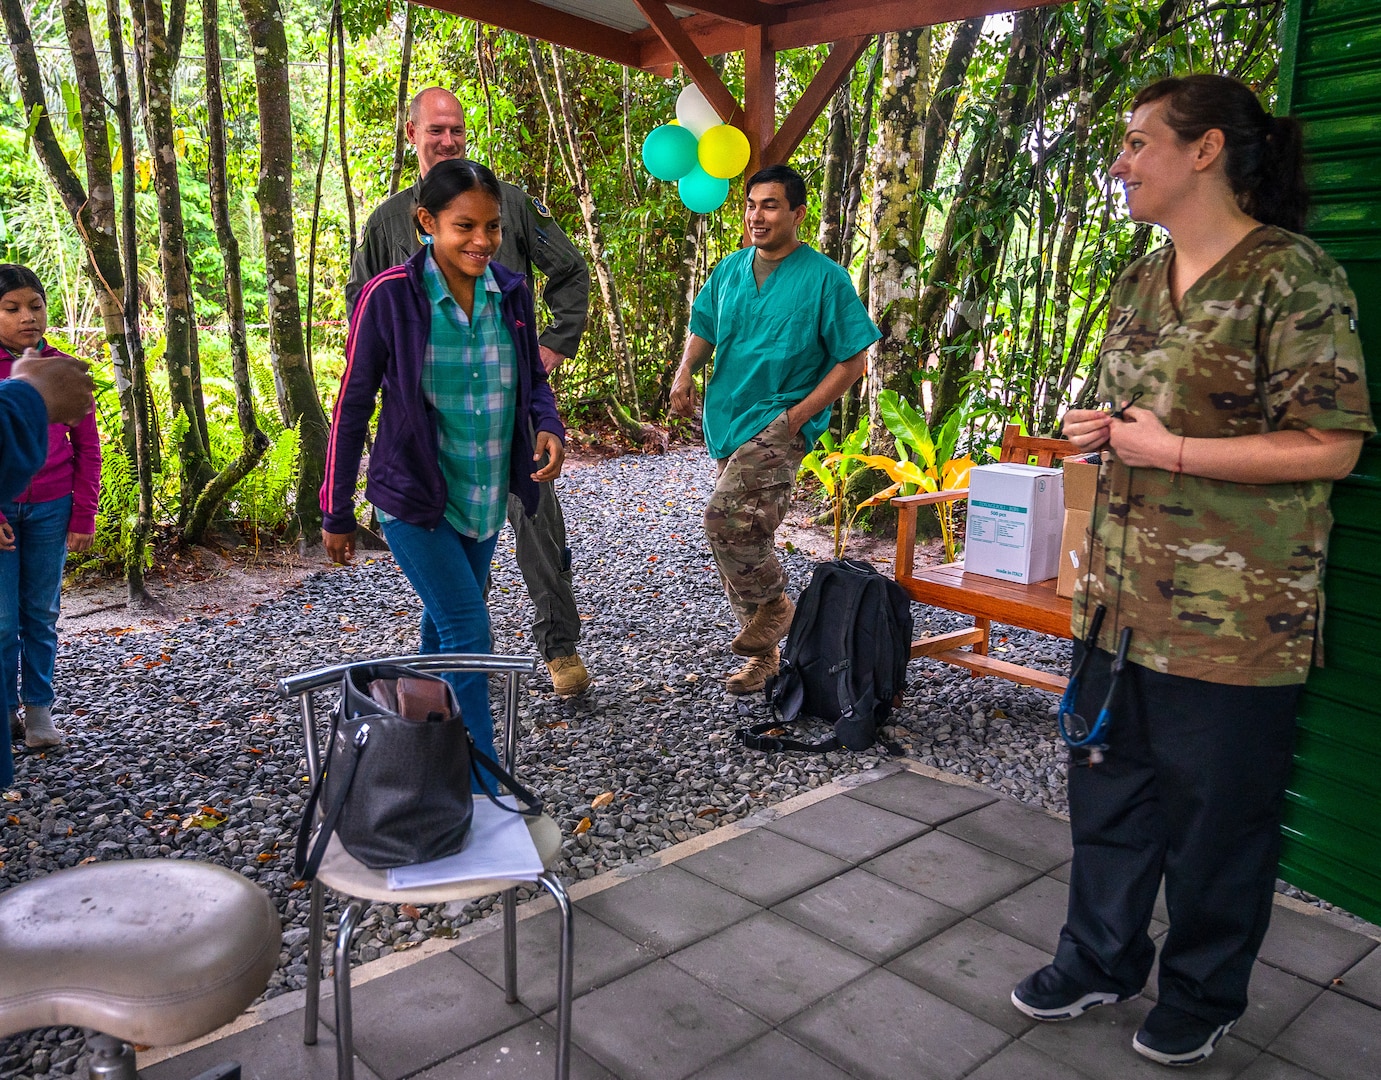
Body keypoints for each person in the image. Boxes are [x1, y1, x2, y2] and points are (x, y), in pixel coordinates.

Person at [1010, 75, 1373, 1068]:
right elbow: (1136, 421)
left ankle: (1203, 991)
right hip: (1117, 604)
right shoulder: (1136, 281)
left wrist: (1167, 449)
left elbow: (1329, 446)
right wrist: (1097, 435)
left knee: (1219, 825)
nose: (1119, 163)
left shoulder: (1291, 278)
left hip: (1234, 622)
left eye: (1135, 143)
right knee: (1109, 798)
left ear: (1203, 150)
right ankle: (1098, 959)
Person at [322, 158, 565, 783]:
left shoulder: (510, 294)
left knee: (443, 639)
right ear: (427, 223)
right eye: (464, 227)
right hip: (415, 502)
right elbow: (351, 404)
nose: (482, 241)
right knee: (466, 624)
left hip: (482, 500)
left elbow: (533, 381)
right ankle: (484, 781)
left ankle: (415, 764)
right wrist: (336, 510)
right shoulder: (389, 297)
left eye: (491, 227)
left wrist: (548, 424)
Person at [347, 86, 593, 698]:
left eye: (455, 129)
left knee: (537, 521)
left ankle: (559, 647)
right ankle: (453, 684)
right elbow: (360, 313)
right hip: (430, 434)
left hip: (506, 419)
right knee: (458, 581)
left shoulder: (506, 202)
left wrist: (551, 347)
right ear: (412, 136)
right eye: (435, 130)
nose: (448, 139)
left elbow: (568, 270)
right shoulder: (386, 223)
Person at [670, 164, 880, 694]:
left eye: (770, 205)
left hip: (781, 419)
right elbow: (703, 327)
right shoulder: (731, 269)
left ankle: (777, 603)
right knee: (742, 537)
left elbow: (852, 361)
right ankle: (763, 656)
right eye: (751, 205)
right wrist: (685, 370)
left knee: (724, 522)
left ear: (797, 213)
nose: (756, 216)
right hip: (729, 420)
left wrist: (797, 417)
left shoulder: (825, 278)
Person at [0, 266, 101, 754]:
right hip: (2, 514)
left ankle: (39, 708)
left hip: (51, 509)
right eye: (12, 308)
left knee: (40, 613)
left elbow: (88, 447)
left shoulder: (62, 369)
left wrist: (84, 514)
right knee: (1, 620)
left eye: (35, 306)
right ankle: (6, 712)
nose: (27, 318)